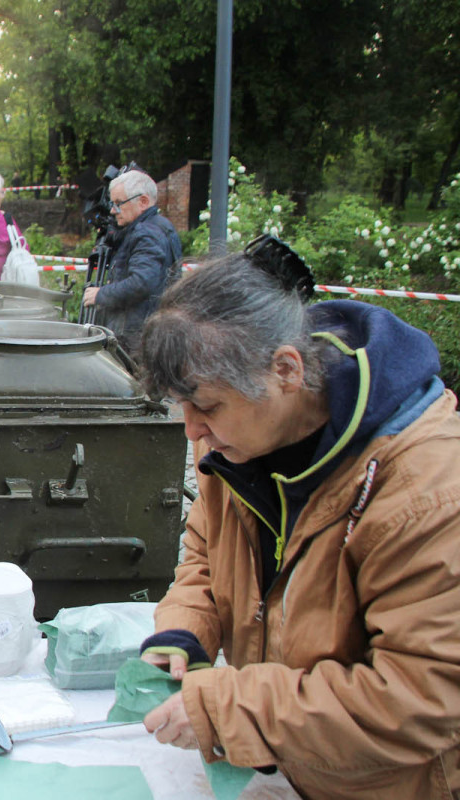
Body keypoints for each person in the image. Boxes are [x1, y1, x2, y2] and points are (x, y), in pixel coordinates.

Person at [134, 237, 460, 799]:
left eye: (206, 407)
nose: (191, 430)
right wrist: (187, 625)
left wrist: (233, 708)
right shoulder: (235, 436)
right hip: (289, 767)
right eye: (181, 408)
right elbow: (208, 547)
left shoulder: (426, 490)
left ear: (286, 370)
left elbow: (420, 698)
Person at [81, 169, 181, 354]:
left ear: (143, 202)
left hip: (135, 336)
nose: (112, 210)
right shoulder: (161, 226)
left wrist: (101, 294)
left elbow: (141, 283)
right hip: (150, 330)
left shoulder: (146, 233)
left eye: (119, 203)